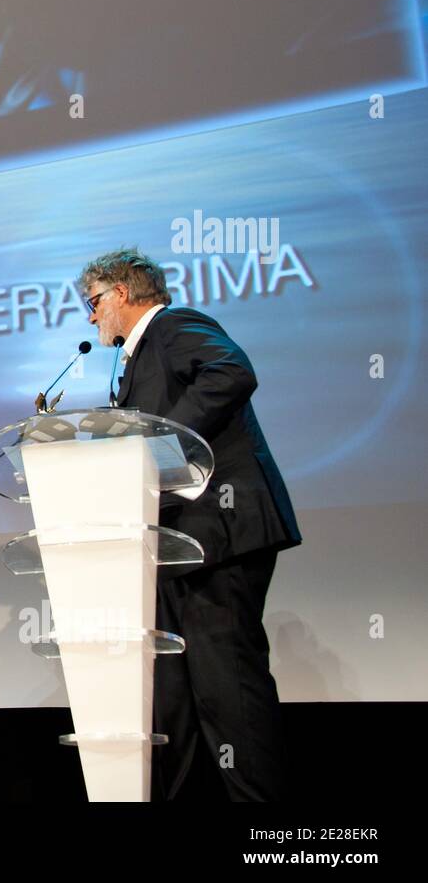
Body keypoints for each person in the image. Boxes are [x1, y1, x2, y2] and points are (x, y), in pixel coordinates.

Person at [78, 247, 302, 801]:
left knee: (229, 688)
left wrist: (160, 441)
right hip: (178, 545)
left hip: (220, 534)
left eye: (93, 302)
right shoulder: (133, 358)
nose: (91, 316)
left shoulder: (173, 326)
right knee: (180, 696)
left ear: (122, 294)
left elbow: (233, 371)